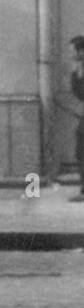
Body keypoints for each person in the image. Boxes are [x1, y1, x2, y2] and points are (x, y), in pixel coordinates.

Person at [69, 36, 84, 202]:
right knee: (80, 152)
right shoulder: (79, 69)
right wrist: (77, 72)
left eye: (73, 51)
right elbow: (78, 94)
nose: (71, 55)